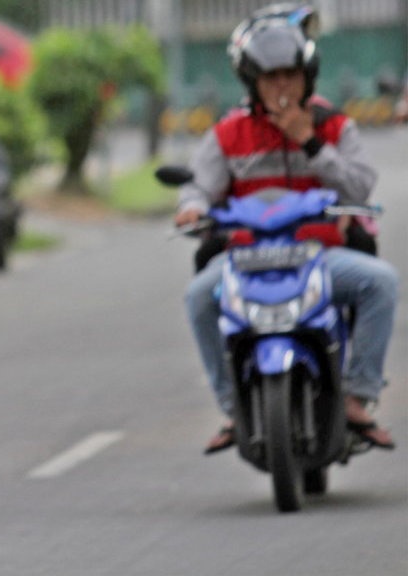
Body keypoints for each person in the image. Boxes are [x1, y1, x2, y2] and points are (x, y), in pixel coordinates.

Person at [174, 8, 400, 454]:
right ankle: (233, 408)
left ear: (307, 75)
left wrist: (310, 142)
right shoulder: (227, 133)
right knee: (199, 296)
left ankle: (358, 395)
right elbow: (199, 186)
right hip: (247, 260)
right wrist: (192, 207)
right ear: (251, 82)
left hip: (319, 256)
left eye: (290, 75)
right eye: (270, 77)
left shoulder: (334, 125)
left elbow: (360, 184)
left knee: (381, 283)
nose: (282, 86)